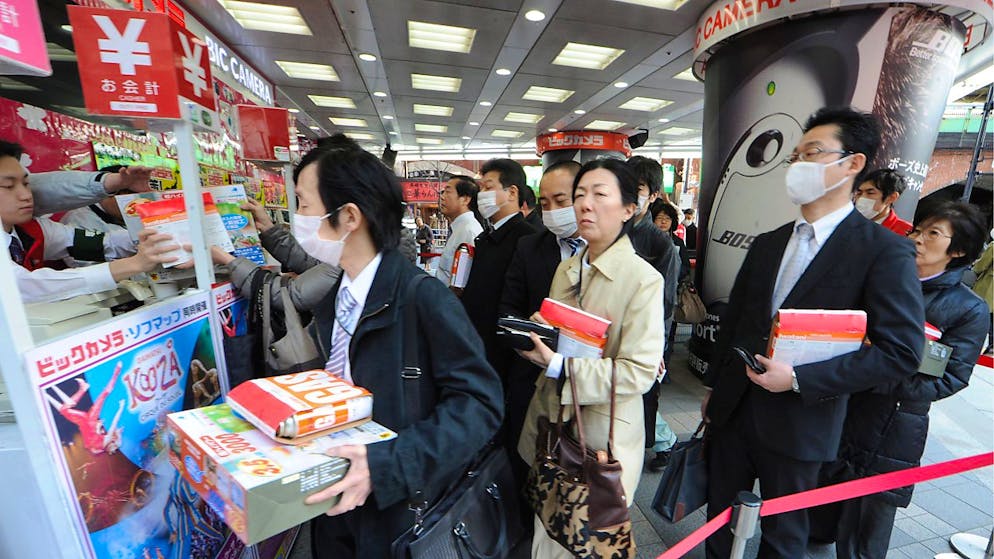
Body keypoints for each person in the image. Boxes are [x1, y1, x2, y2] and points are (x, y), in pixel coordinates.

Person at [702, 106, 924, 558]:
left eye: (814, 153)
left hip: (802, 421)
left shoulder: (883, 251)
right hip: (734, 411)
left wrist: (802, 379)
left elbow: (900, 351)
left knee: (785, 537)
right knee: (718, 523)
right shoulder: (769, 241)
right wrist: (715, 389)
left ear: (853, 163)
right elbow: (737, 322)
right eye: (796, 156)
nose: (799, 164)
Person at [281, 137, 502, 558]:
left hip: (397, 511)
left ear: (348, 216)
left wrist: (390, 465)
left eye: (304, 204)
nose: (298, 218)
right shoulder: (335, 292)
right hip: (336, 497)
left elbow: (481, 405)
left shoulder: (422, 299)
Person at [515, 158, 664, 559]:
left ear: (629, 209)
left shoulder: (643, 280)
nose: (585, 205)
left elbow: (640, 372)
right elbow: (559, 329)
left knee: (586, 543)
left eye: (600, 195)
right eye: (580, 195)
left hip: (599, 439)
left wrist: (560, 365)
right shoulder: (566, 268)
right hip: (551, 422)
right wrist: (538, 332)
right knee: (547, 529)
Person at [829, 201, 989, 558]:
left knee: (865, 528)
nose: (917, 239)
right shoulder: (880, 279)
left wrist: (874, 379)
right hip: (840, 403)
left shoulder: (967, 309)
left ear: (958, 250)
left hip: (892, 424)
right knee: (820, 504)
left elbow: (951, 378)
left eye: (933, 233)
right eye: (917, 230)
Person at [498, 160, 583, 512]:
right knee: (527, 472)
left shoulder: (619, 253)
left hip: (587, 391)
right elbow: (507, 312)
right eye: (545, 204)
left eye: (561, 201)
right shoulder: (529, 247)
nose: (552, 212)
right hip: (532, 381)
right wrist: (532, 337)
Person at [0, 140, 180, 304]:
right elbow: (21, 287)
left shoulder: (32, 230)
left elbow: (102, 243)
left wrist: (153, 235)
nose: (25, 195)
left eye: (25, 184)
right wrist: (133, 264)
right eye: (8, 186)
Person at [626, 156, 680, 473]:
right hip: (606, 336)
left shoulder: (660, 244)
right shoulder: (610, 231)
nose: (631, 194)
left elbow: (665, 303)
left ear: (654, 194)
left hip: (641, 340)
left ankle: (666, 442)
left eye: (639, 188)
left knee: (639, 399)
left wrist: (655, 349)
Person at [460, 158, 536, 375]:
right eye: (480, 188)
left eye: (488, 187)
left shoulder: (527, 240)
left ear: (512, 192)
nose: (481, 194)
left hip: (504, 355)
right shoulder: (486, 237)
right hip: (479, 346)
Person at [435, 175, 483, 286]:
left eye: (448, 192)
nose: (442, 197)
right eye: (443, 192)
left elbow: (463, 284)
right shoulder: (458, 229)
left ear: (465, 199)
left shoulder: (468, 232)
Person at [853, 168, 913, 235]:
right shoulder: (847, 223)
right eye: (859, 193)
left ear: (891, 198)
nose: (861, 198)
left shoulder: (906, 232)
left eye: (870, 193)